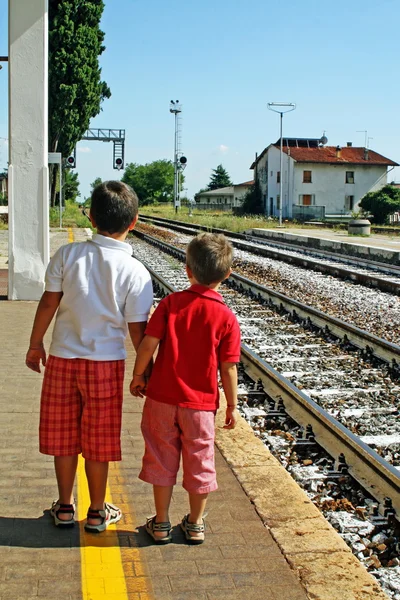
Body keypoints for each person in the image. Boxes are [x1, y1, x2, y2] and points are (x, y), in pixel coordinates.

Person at [25, 181, 153, 533]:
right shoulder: (136, 272)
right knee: (98, 442)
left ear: (91, 217)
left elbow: (48, 302)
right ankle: (96, 512)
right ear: (135, 221)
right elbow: (138, 331)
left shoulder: (67, 255)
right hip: (106, 367)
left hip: (63, 360)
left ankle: (65, 507)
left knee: (63, 437)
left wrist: (36, 344)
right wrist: (143, 373)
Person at [130, 232, 241, 545]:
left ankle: (162, 523)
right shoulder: (227, 317)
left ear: (188, 270)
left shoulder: (171, 303)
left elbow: (148, 343)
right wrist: (231, 405)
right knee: (200, 461)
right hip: (201, 407)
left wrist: (139, 375)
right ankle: (194, 524)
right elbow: (228, 368)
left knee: (161, 458)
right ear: (227, 275)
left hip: (162, 399)